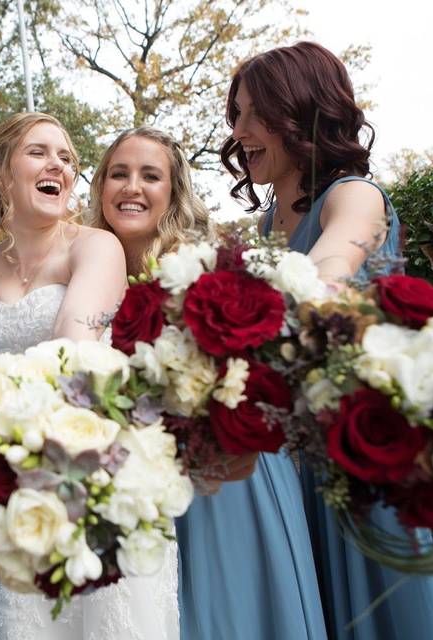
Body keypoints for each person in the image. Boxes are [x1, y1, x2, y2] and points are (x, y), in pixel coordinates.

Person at [222, 40, 433, 639]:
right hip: (309, 447)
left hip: (376, 444)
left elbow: (329, 268)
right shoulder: (263, 225)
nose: (240, 129)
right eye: (236, 113)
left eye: (255, 113)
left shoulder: (352, 195)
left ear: (301, 114)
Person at [86, 125, 328, 640]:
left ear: (172, 193)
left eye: (150, 176)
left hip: (227, 471)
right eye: (118, 174)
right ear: (100, 186)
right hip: (143, 482)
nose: (131, 187)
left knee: (231, 615)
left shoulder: (210, 266)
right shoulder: (83, 269)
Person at [0, 111, 184, 640]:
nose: (58, 166)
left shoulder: (95, 245)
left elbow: (74, 348)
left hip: (95, 465)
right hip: (17, 481)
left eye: (67, 157)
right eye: (39, 152)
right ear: (0, 171)